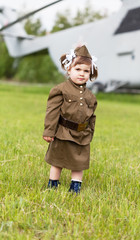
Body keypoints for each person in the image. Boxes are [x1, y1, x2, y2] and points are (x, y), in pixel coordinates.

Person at [43, 44, 98, 194]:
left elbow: (92, 116)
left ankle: (75, 187)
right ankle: (52, 184)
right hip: (63, 132)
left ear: (90, 73)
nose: (82, 74)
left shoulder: (90, 96)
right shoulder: (60, 90)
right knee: (57, 160)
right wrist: (49, 131)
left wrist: (90, 132)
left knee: (79, 162)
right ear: (69, 70)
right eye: (78, 69)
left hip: (82, 134)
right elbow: (52, 111)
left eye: (86, 71)